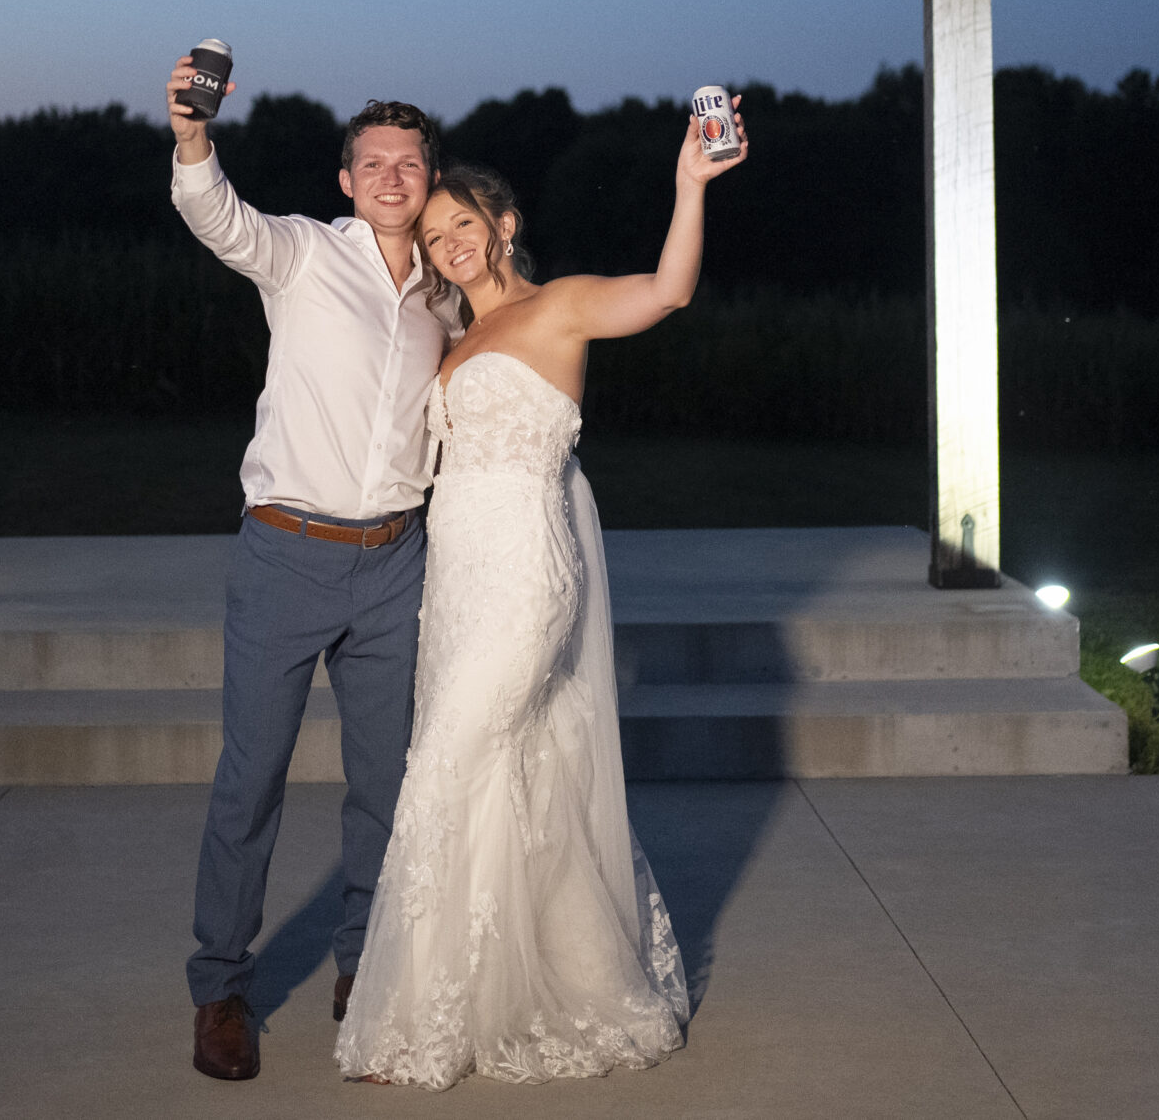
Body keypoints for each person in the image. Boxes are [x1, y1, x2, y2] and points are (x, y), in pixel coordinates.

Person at [336, 100, 748, 1088]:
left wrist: (689, 187)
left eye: (462, 223)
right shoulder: (449, 339)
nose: (448, 243)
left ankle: (417, 1027)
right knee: (516, 776)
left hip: (526, 575)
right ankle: (560, 983)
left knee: (445, 766)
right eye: (434, 235)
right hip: (457, 580)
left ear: (502, 223)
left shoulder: (557, 307)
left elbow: (666, 293)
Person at [165, 54, 460, 1083]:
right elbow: (218, 218)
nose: (389, 177)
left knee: (385, 784)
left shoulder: (444, 291)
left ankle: (362, 967)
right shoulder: (300, 255)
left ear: (431, 178)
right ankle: (219, 988)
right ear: (345, 180)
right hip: (286, 554)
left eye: (408, 162)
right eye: (371, 162)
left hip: (394, 563)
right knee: (250, 780)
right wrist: (195, 135)